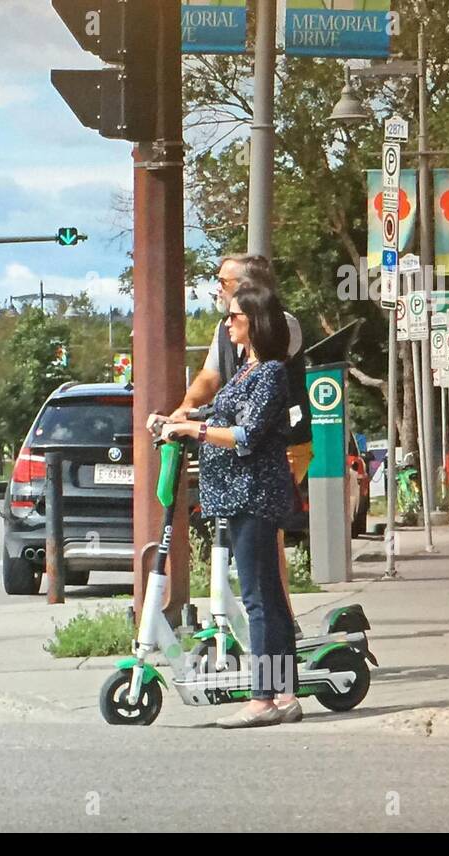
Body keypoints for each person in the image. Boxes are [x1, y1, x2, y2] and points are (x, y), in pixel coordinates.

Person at [159, 283, 299, 727]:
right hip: (242, 494)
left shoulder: (271, 372)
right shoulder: (246, 369)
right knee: (270, 598)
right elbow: (224, 415)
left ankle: (263, 699)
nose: (227, 323)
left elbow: (246, 435)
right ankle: (284, 692)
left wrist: (194, 433)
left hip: (254, 493)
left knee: (258, 598)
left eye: (234, 316)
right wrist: (179, 419)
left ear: (254, 321)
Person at [148, 253, 311, 632]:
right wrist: (183, 411)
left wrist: (196, 427)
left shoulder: (278, 327)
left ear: (248, 287)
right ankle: (263, 626)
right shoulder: (228, 329)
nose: (217, 290)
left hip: (279, 446)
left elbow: (258, 401)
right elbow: (211, 375)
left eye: (224, 282)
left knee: (265, 540)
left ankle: (279, 625)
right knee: (249, 544)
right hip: (238, 454)